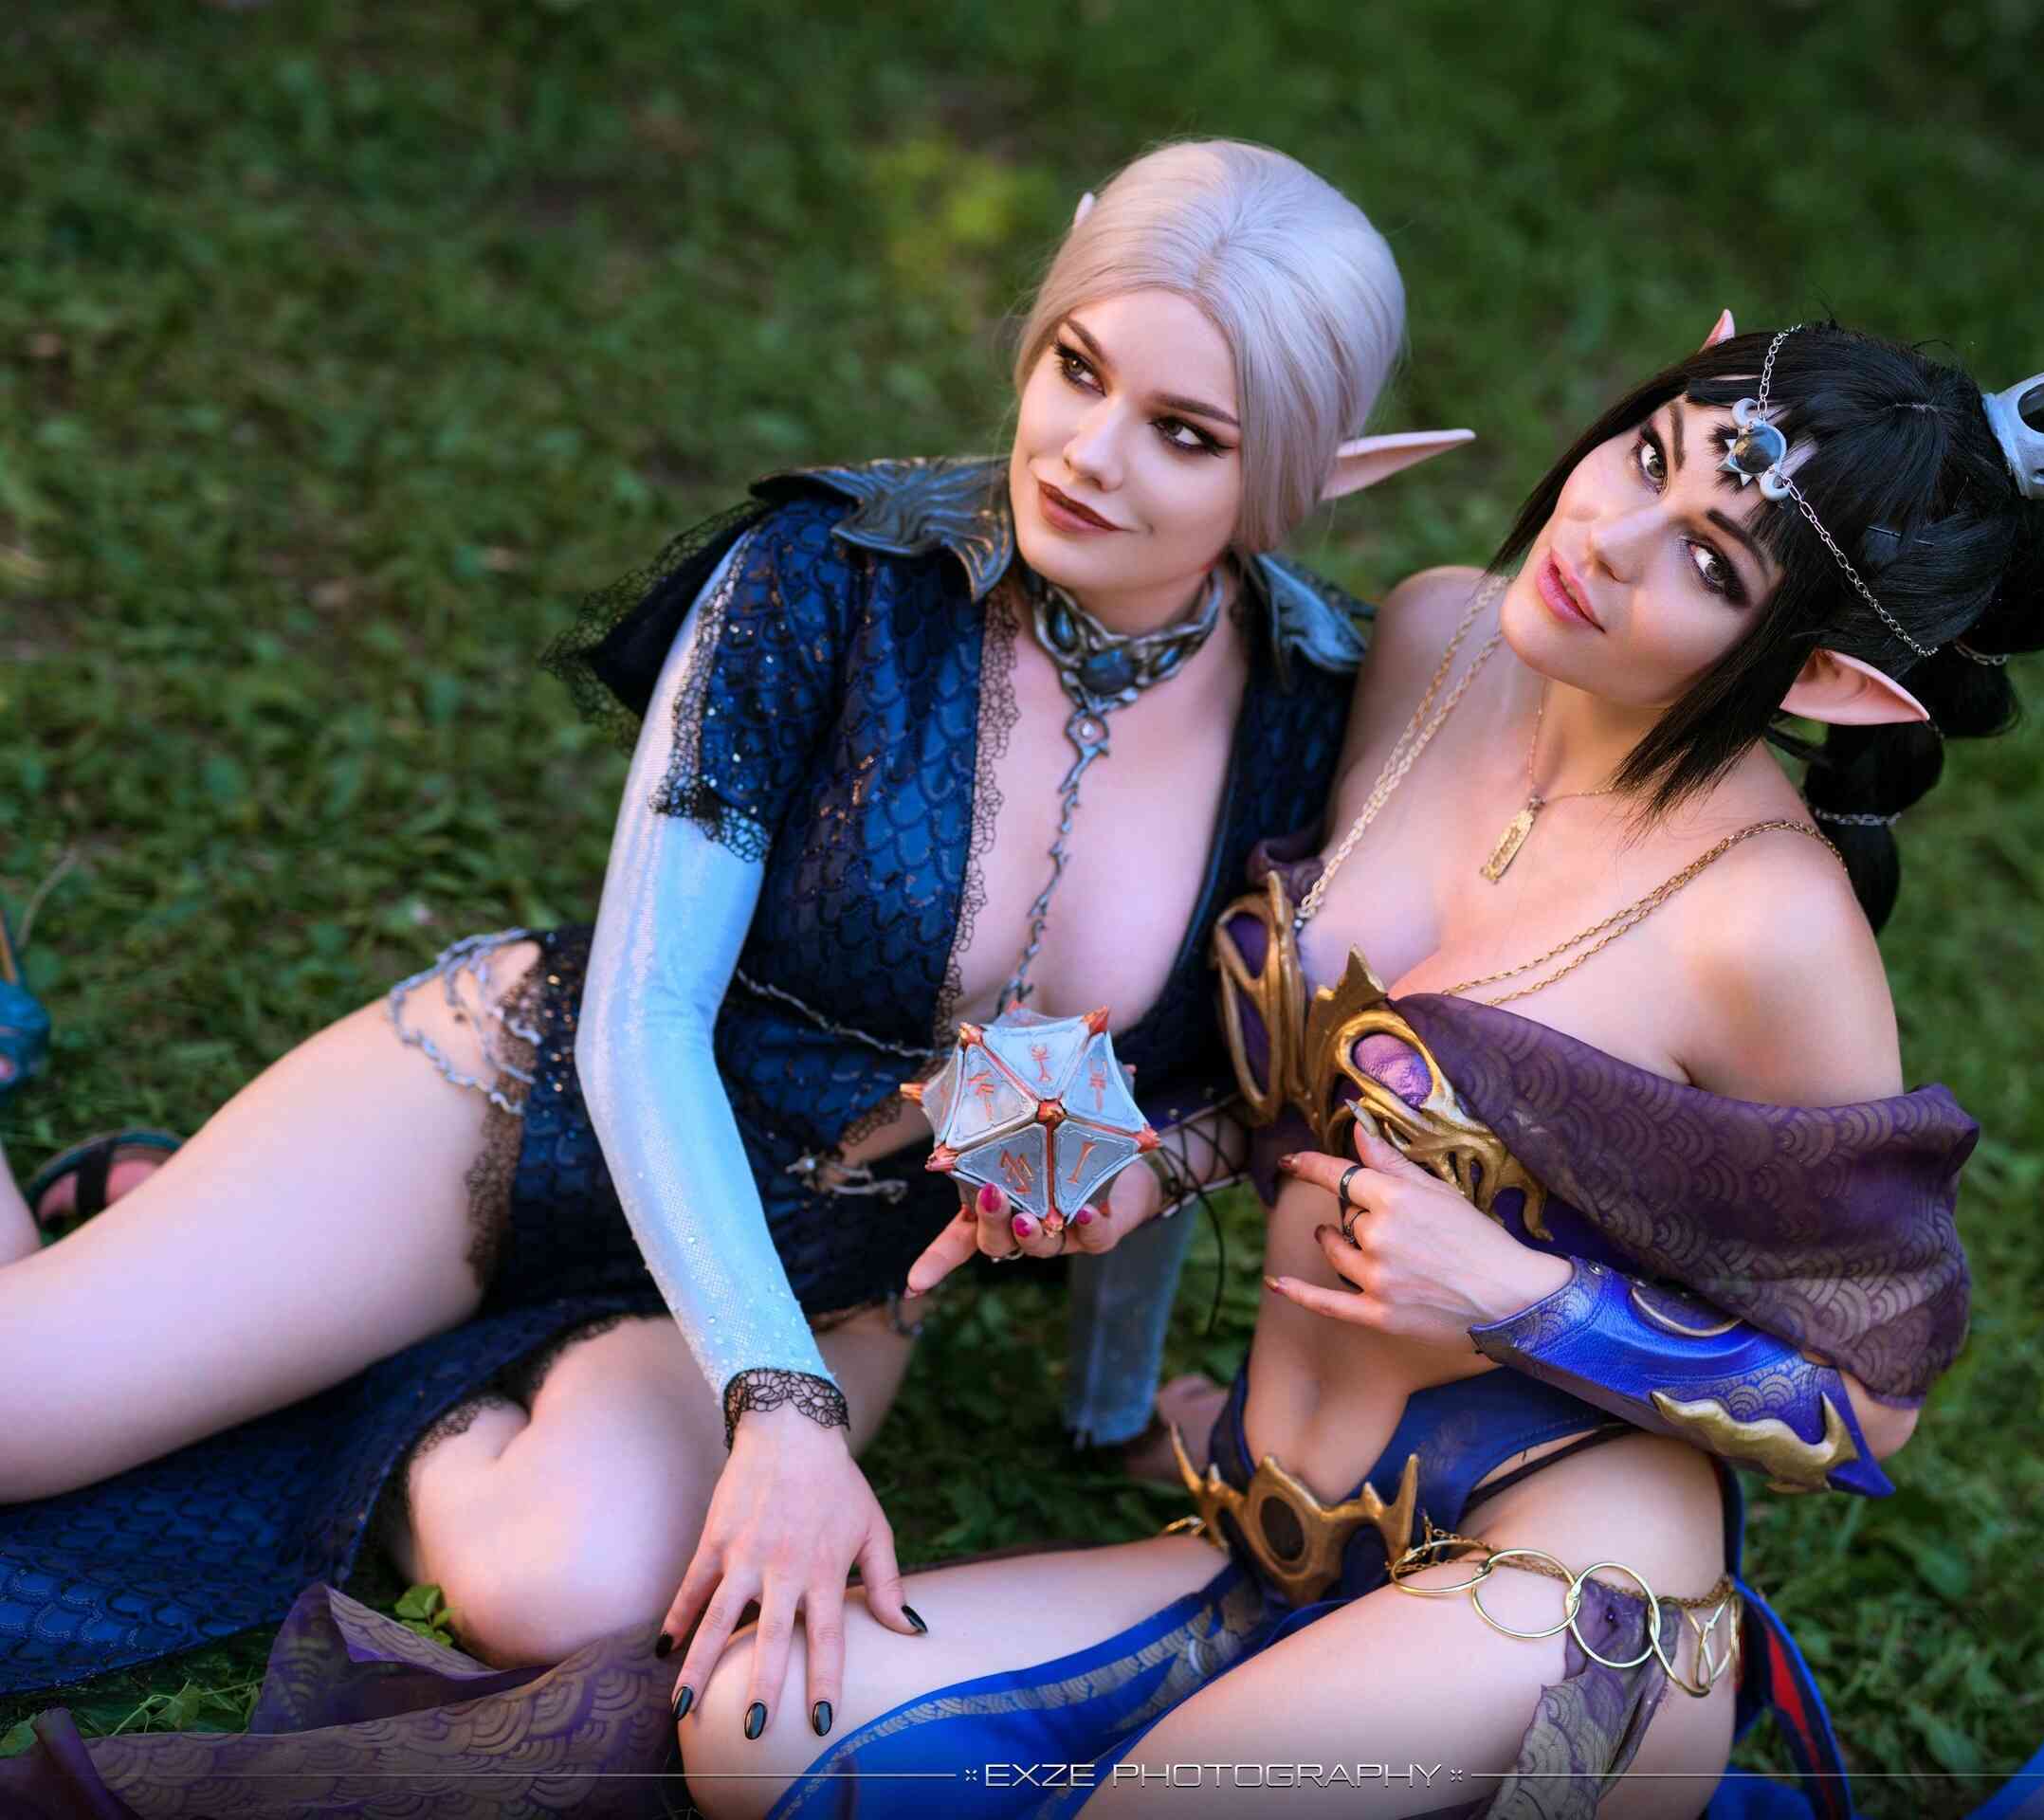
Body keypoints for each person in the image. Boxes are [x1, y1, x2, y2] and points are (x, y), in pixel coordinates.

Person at [666, 319, 2044, 1818]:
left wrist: (1515, 1295)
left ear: (1821, 679)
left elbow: (1873, 1405)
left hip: (1570, 1587)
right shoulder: (1439, 637)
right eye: (1649, 455)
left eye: (1711, 563)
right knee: (758, 1729)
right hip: (1282, 1537)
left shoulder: (1773, 930)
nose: (1607, 540)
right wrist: (1144, 1166)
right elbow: (1324, 1081)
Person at [0, 137, 1469, 1704]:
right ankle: (312, 1281)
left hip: (840, 1254)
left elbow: (1173, 1086)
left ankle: (366, 1357)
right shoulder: (825, 575)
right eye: (1076, 366)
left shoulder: (1309, 719)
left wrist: (1108, 1398)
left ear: (1318, 474)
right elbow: (642, 1017)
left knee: (559, 1592)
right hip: (534, 1115)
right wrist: (783, 1408)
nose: (1088, 455)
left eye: (1183, 434)